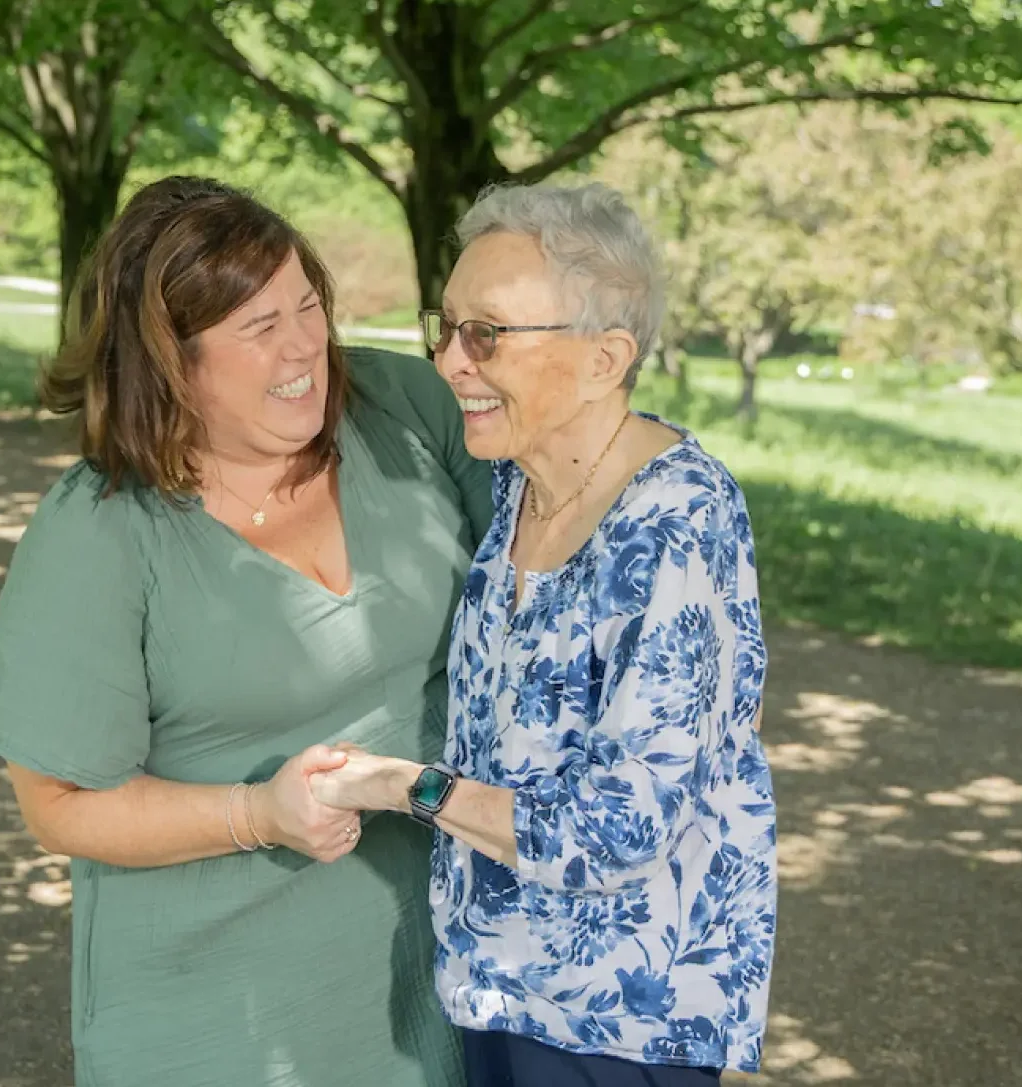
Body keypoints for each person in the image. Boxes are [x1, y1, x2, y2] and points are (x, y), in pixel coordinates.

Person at [0, 176, 492, 1087]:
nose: (304, 347)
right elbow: (57, 804)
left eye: (308, 306)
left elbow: (554, 563)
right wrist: (258, 813)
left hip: (431, 974)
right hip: (216, 1012)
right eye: (256, 327)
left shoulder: (401, 408)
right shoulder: (100, 530)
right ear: (170, 359)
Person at [307, 182, 777, 1087]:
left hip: (618, 1019)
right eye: (442, 327)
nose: (448, 361)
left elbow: (617, 826)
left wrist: (405, 786)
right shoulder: (521, 481)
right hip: (499, 986)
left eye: (487, 334)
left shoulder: (678, 518)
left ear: (605, 360)